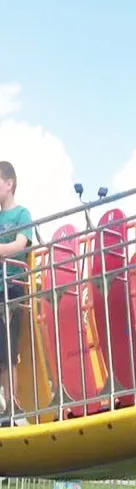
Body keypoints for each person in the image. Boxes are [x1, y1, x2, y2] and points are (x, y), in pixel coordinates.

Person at [0, 162, 32, 416]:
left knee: (8, 348)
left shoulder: (22, 214)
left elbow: (21, 244)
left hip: (12, 286)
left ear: (9, 184)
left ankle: (12, 405)